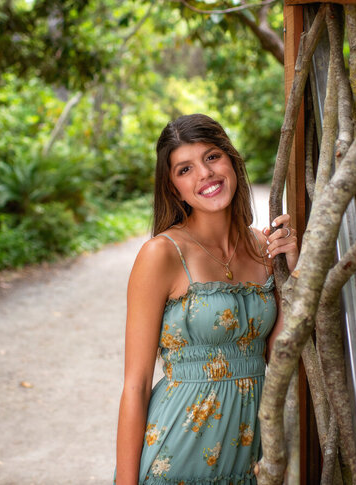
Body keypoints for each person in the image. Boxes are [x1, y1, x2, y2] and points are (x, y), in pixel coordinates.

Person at [115, 114, 299, 484]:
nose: (205, 174)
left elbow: (275, 357)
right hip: (178, 457)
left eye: (212, 157)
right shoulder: (162, 254)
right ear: (173, 189)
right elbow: (135, 386)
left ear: (231, 161)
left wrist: (294, 275)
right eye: (185, 169)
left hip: (250, 456)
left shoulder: (265, 249)